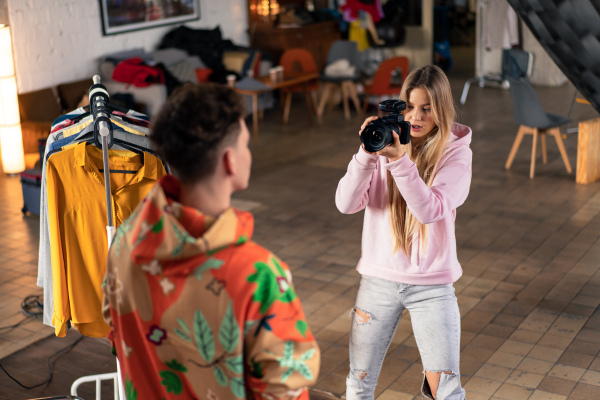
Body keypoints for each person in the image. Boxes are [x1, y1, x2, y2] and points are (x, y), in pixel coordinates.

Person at [102, 83, 320, 400]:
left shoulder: (123, 243)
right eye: (246, 144)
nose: (249, 154)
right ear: (230, 160)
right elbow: (286, 388)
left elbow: (116, 332)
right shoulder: (258, 274)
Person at [335, 65, 471, 400]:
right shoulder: (387, 143)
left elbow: (429, 210)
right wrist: (366, 156)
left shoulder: (456, 153)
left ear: (442, 108)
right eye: (409, 106)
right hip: (379, 281)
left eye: (427, 108)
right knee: (359, 383)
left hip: (432, 286)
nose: (415, 116)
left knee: (446, 391)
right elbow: (345, 204)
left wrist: (398, 161)